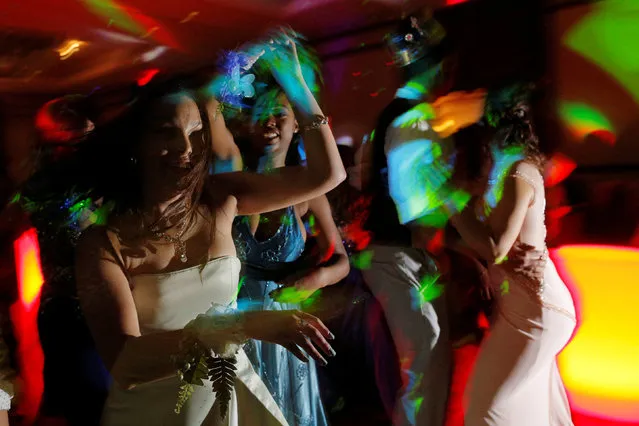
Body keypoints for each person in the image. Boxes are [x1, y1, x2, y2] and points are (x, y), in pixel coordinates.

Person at [74, 33, 345, 426]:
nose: (186, 149)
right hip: (151, 414)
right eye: (167, 132)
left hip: (227, 400)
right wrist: (240, 325)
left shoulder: (221, 199)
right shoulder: (103, 244)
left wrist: (296, 84)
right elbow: (124, 361)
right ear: (136, 143)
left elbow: (327, 174)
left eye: (196, 132)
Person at [446, 99, 576, 425]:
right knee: (525, 411)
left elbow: (496, 248)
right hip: (522, 307)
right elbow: (485, 245)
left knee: (486, 407)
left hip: (536, 310)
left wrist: (450, 201)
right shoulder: (506, 172)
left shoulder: (519, 172)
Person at [232, 85, 350, 426]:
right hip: (236, 318)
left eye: (279, 115)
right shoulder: (232, 184)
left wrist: (318, 279)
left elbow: (342, 260)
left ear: (296, 124)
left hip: (286, 318)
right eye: (260, 116)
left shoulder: (308, 190)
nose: (269, 123)